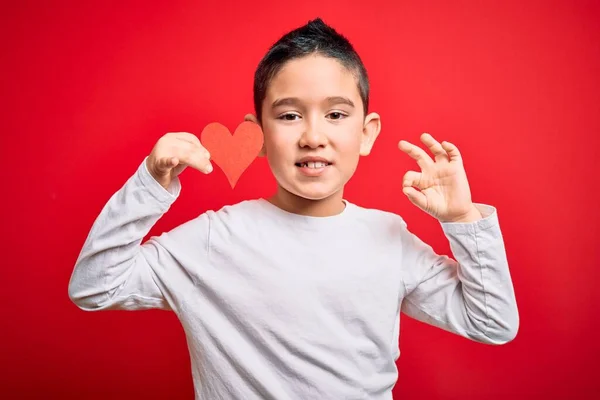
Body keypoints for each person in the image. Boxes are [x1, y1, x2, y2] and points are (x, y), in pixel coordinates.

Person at [68, 17, 519, 400]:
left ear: (367, 132)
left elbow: (493, 322)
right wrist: (151, 183)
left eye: (336, 115)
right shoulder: (215, 239)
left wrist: (462, 221)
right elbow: (95, 287)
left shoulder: (389, 238)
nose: (312, 136)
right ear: (257, 135)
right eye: (288, 115)